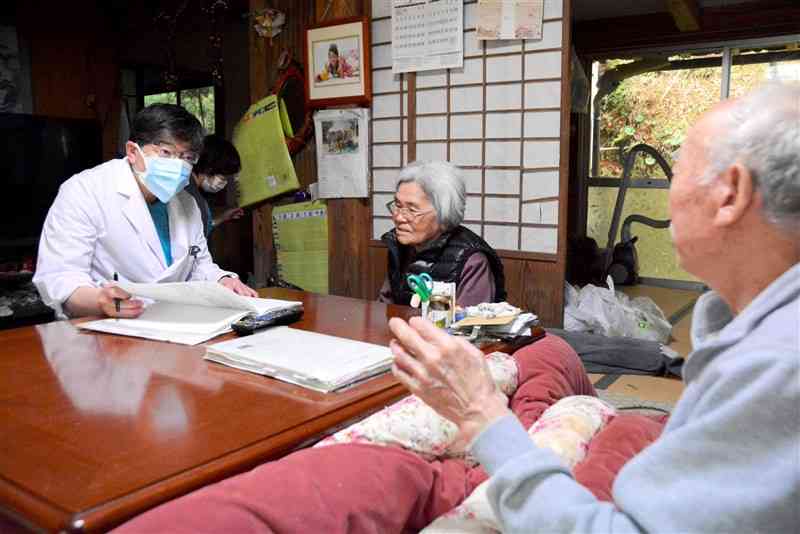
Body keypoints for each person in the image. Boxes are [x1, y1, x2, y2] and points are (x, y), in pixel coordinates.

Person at [389, 82, 800, 532]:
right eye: (397, 206)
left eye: (679, 170)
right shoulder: (753, 327)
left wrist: (481, 414)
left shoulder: (778, 365)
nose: (399, 216)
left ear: (731, 193)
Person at [34, 103, 257, 320]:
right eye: (166, 152)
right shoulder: (85, 191)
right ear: (132, 151)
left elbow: (199, 266)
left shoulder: (187, 203)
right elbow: (61, 277)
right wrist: (100, 300)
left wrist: (222, 279)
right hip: (104, 330)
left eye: (187, 158)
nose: (178, 165)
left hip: (174, 324)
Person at [378, 160, 506, 307]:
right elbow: (385, 306)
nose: (398, 217)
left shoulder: (471, 260)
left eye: (412, 210)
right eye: (398, 206)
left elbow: (469, 325)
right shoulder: (398, 245)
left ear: (443, 213)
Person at [185, 133, 244, 238]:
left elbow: (199, 229)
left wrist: (221, 218)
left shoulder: (193, 190)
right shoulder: (187, 194)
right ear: (210, 168)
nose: (224, 183)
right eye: (224, 177)